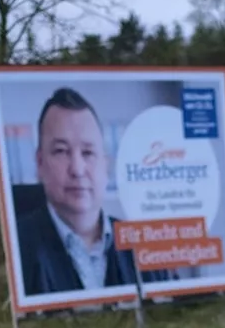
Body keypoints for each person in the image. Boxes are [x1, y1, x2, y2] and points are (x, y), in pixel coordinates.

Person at [14, 87, 173, 296]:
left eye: (88, 152)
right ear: (40, 163)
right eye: (61, 151)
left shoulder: (144, 246)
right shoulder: (14, 247)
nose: (78, 169)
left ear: (105, 165)